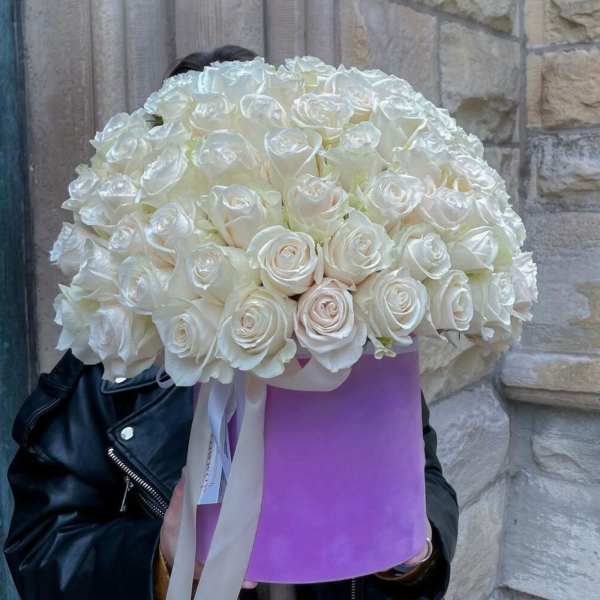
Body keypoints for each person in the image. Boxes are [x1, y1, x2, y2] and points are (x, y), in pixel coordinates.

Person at [4, 47, 459, 600]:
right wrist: (161, 559)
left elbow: (424, 477)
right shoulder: (110, 368)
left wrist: (413, 553)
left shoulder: (349, 344)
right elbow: (42, 545)